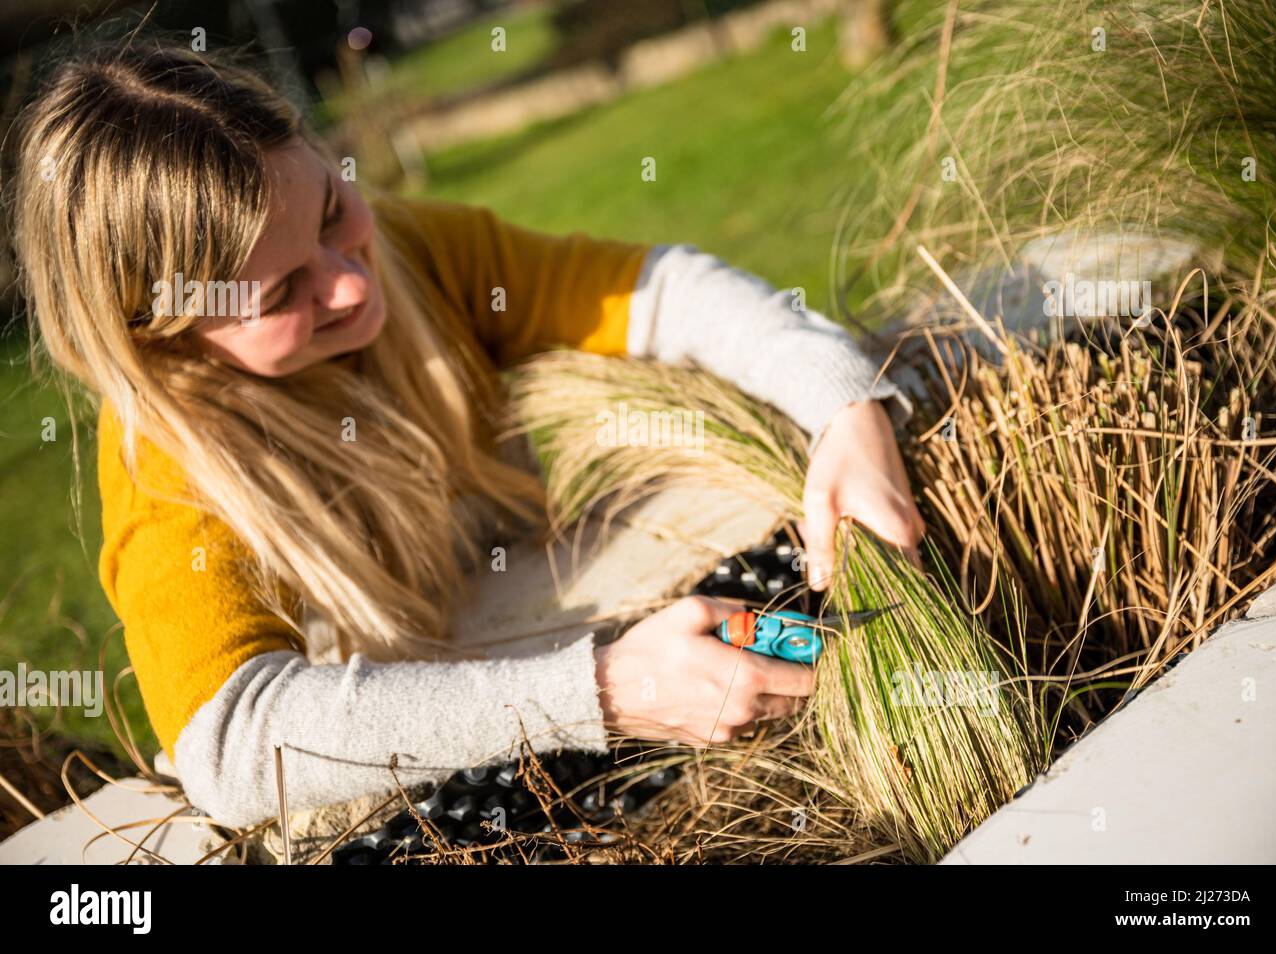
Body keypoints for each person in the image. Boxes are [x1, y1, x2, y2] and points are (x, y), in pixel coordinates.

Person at [6, 41, 922, 827]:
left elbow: (657, 291)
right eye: (280, 294)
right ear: (154, 334)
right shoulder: (163, 465)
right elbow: (233, 745)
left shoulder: (417, 249)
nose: (351, 284)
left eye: (332, 210)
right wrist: (604, 693)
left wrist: (845, 408)